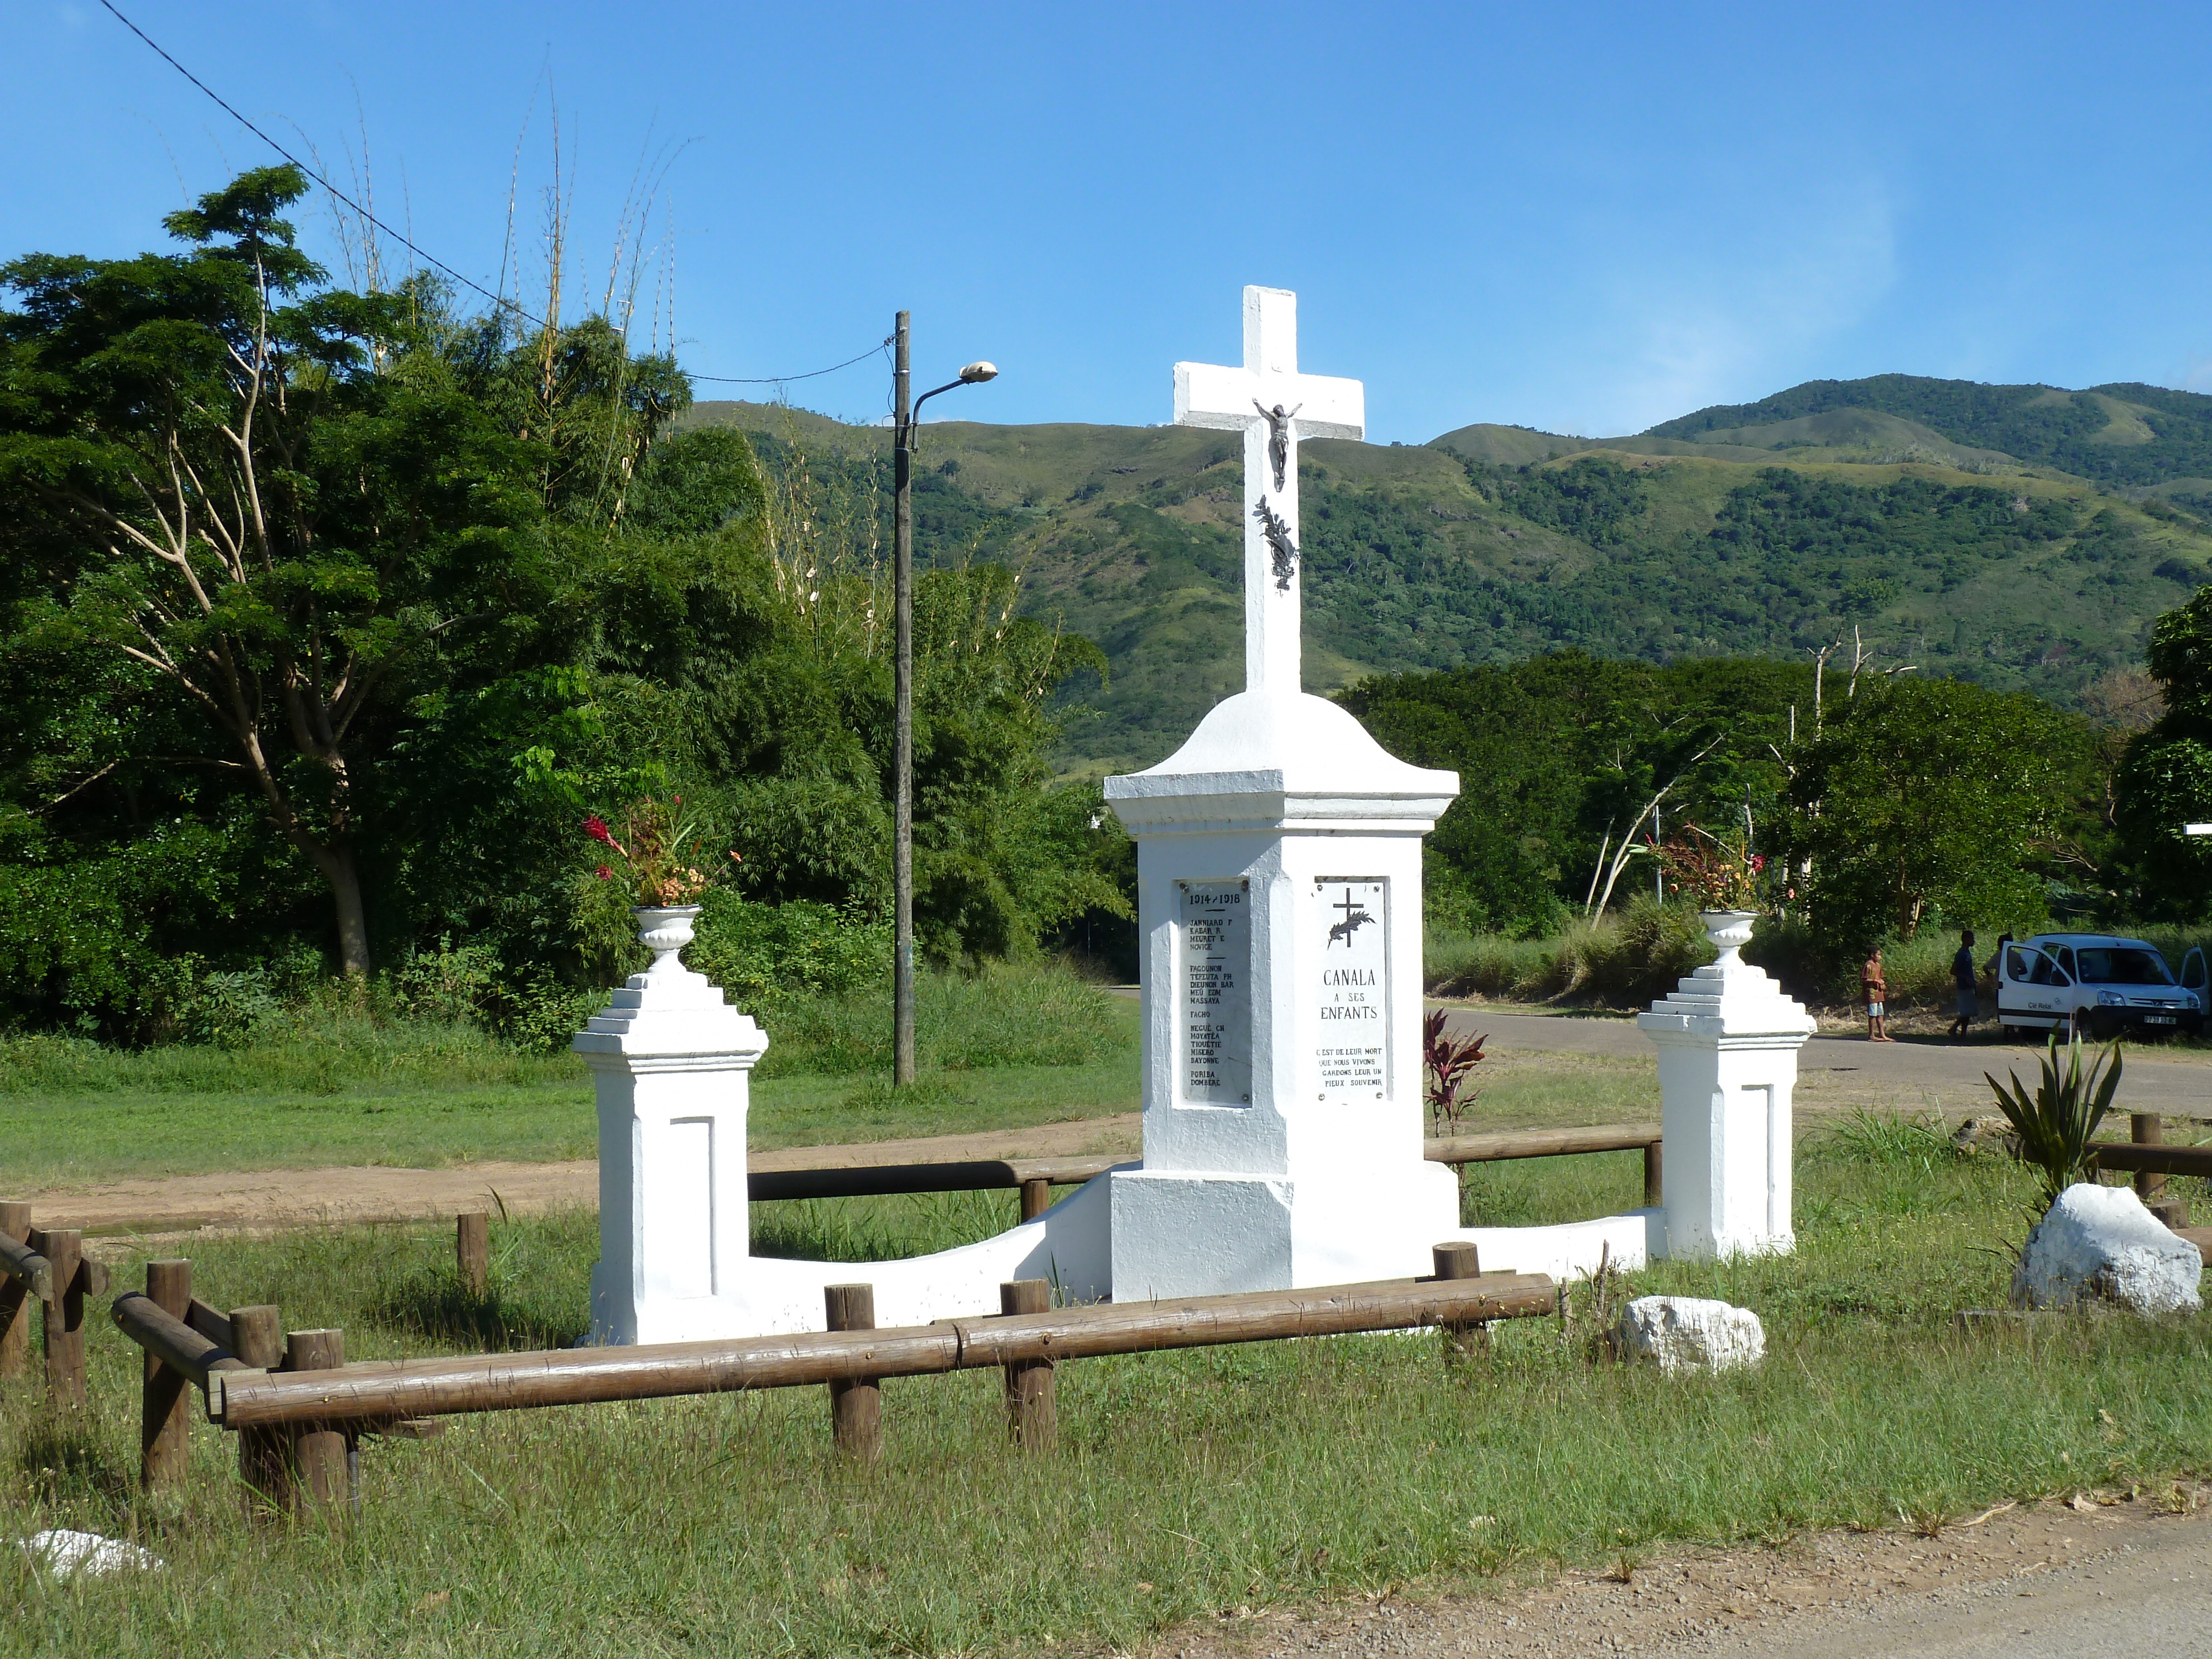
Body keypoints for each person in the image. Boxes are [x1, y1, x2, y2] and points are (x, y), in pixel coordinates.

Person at [1947, 928, 1978, 1040]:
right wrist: (1965, 978)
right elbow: (1953, 971)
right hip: (1964, 986)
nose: (1974, 941)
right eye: (1972, 938)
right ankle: (1954, 1029)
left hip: (1969, 985)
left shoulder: (1967, 953)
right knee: (1966, 1012)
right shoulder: (1961, 954)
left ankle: (1963, 1033)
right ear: (1965, 939)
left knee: (1968, 1012)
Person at [1863, 947, 1893, 1042]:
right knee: (1873, 1015)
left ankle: (1883, 1035)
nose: (1880, 957)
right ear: (1872, 955)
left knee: (1880, 1014)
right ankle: (1872, 1035)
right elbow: (1864, 979)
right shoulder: (1868, 965)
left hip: (1879, 992)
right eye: (1878, 955)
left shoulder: (1878, 966)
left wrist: (1883, 983)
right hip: (1871, 993)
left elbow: (1881, 977)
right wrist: (1874, 981)